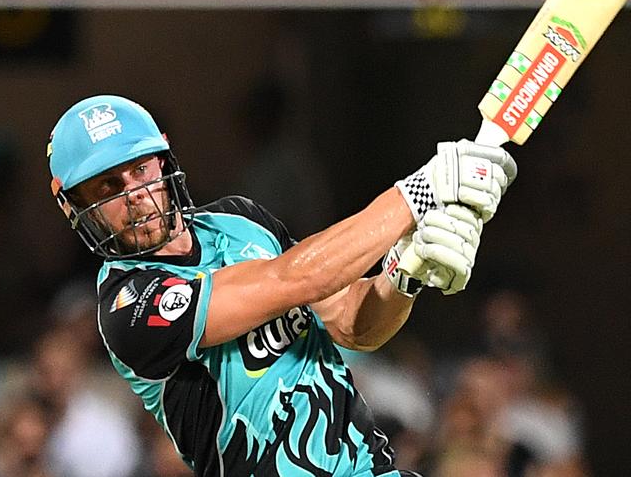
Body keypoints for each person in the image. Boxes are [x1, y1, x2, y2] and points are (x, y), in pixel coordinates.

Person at [46, 94, 516, 476]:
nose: (136, 195)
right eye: (108, 187)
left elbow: (354, 324)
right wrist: (421, 192)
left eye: (141, 169)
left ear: (164, 161)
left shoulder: (240, 219)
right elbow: (296, 279)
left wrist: (404, 276)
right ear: (74, 207)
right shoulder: (127, 306)